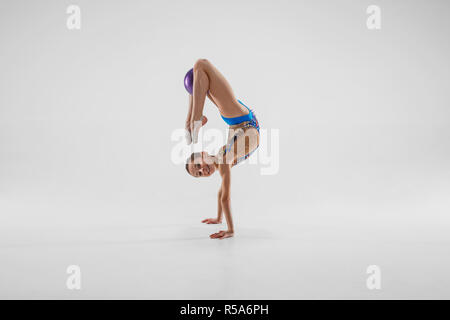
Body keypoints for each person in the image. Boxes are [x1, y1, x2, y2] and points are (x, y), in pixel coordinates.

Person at [184, 59, 260, 239]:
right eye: (200, 174)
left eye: (198, 166)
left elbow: (224, 198)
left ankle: (194, 118)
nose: (203, 170)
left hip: (239, 120)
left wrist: (230, 229)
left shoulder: (222, 159)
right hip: (241, 120)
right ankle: (194, 119)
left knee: (197, 72)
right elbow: (222, 195)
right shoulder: (223, 161)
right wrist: (219, 219)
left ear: (203, 153)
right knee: (199, 70)